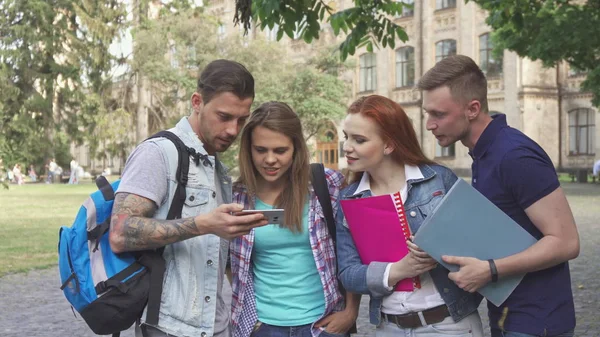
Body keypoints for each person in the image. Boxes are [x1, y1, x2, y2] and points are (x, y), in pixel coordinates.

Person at [419, 55, 580, 337]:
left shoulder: (514, 155)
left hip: (536, 321)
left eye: (439, 114)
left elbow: (566, 242)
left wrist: (490, 270)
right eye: (427, 114)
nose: (429, 124)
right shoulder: (484, 153)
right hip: (509, 317)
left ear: (473, 109)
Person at [108, 59, 269, 337]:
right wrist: (204, 224)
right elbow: (120, 232)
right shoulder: (158, 152)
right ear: (197, 102)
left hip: (215, 326)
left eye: (241, 119)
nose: (233, 130)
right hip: (168, 327)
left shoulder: (216, 166)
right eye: (224, 116)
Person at [336, 95, 484, 337]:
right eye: (347, 137)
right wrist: (399, 270)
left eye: (359, 140)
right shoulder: (348, 199)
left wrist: (439, 251)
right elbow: (348, 275)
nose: (347, 147)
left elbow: (480, 241)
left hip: (449, 325)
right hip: (388, 328)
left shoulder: (438, 179)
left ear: (389, 145)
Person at [229, 101, 360, 337]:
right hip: (263, 327)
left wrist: (350, 311)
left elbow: (351, 247)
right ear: (248, 149)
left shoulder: (326, 183)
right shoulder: (235, 197)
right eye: (261, 150)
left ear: (296, 149)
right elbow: (228, 265)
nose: (270, 159)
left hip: (323, 323)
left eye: (280, 150)